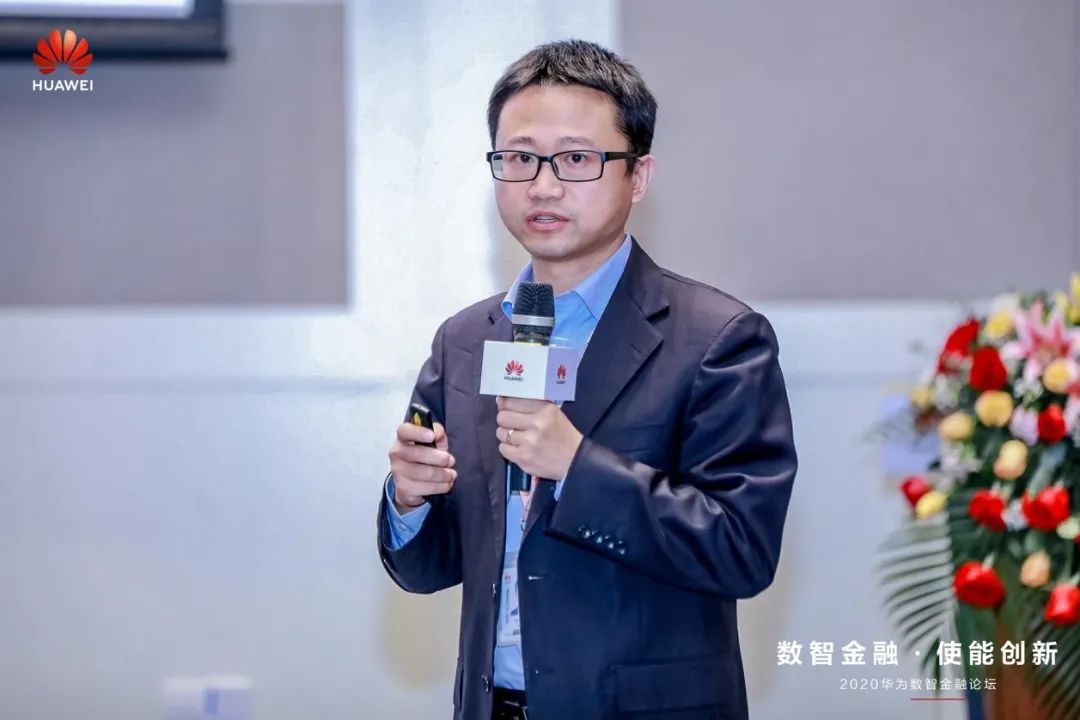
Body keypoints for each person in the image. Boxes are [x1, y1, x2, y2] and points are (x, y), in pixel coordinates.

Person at [377, 39, 797, 720]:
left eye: (575, 158)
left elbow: (741, 550)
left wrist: (577, 466)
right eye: (519, 158)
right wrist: (410, 499)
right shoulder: (466, 341)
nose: (543, 186)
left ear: (638, 174)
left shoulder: (718, 338)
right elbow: (428, 568)